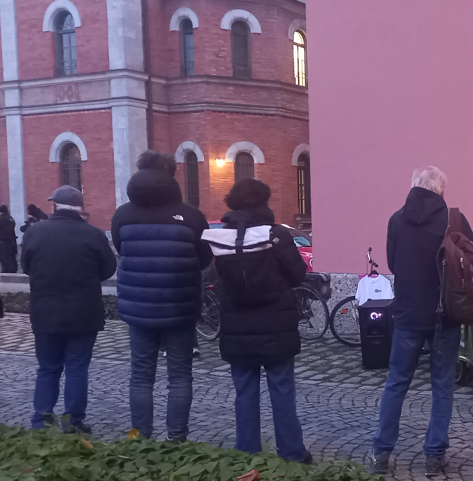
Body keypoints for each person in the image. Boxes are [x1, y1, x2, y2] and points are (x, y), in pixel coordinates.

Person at [366, 166, 473, 477]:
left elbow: (392, 261)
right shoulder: (452, 220)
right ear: (441, 190)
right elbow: (472, 261)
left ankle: (381, 453)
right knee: (442, 384)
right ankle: (434, 454)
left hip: (406, 313)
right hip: (445, 313)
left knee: (397, 383)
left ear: (414, 186)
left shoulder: (396, 219)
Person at [203, 178, 312, 463]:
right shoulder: (276, 235)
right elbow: (298, 274)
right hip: (276, 325)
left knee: (244, 393)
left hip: (237, 326)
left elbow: (217, 278)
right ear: (264, 203)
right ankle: (292, 453)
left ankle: (247, 452)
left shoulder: (221, 238)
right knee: (282, 391)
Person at [111, 150, 212, 442]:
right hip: (179, 306)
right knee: (179, 375)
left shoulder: (123, 214)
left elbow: (121, 249)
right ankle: (176, 437)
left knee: (141, 374)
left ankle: (140, 437)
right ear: (172, 176)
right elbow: (204, 258)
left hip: (138, 308)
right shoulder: (191, 215)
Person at [20, 186, 116, 433]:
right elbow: (108, 269)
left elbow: (27, 266)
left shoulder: (35, 232)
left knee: (48, 367)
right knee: (77, 368)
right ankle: (72, 421)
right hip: (83, 312)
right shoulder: (93, 235)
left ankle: (41, 421)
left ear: (54, 206)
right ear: (80, 207)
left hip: (45, 311)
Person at [0, 204, 17, 273]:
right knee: (12, 255)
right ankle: (13, 268)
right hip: (12, 239)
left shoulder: (2, 219)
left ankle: (6, 269)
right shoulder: (10, 218)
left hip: (4, 239)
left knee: (4, 255)